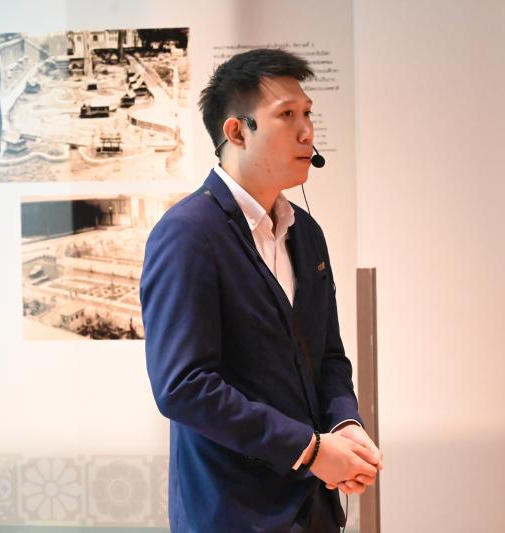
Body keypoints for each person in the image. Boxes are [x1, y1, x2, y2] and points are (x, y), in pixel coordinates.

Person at [141, 48, 383, 533]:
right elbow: (184, 387)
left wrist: (345, 425)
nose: (307, 131)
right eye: (287, 115)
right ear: (237, 131)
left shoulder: (306, 233)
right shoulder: (188, 233)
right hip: (231, 513)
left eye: (308, 113)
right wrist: (311, 450)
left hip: (314, 510)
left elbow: (328, 356)